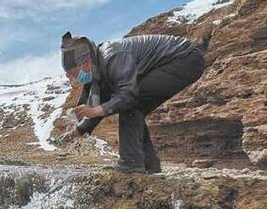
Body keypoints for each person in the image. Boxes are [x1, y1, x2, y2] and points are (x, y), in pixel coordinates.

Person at [58, 32, 206, 173]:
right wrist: (76, 131)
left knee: (130, 103)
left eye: (73, 73)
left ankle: (132, 163)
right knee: (133, 105)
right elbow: (100, 108)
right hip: (177, 61)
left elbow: (127, 96)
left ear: (85, 63)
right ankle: (148, 164)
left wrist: (94, 111)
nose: (72, 79)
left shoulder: (112, 56)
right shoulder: (98, 72)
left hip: (184, 58)